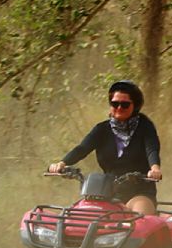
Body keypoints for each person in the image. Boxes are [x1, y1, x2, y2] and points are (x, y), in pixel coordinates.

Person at [48, 80, 162, 215]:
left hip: (139, 192)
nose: (119, 108)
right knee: (84, 220)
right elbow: (82, 149)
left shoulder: (145, 127)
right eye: (115, 104)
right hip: (108, 194)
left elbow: (151, 149)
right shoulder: (102, 129)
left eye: (125, 104)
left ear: (135, 106)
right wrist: (62, 163)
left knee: (139, 219)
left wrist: (155, 168)